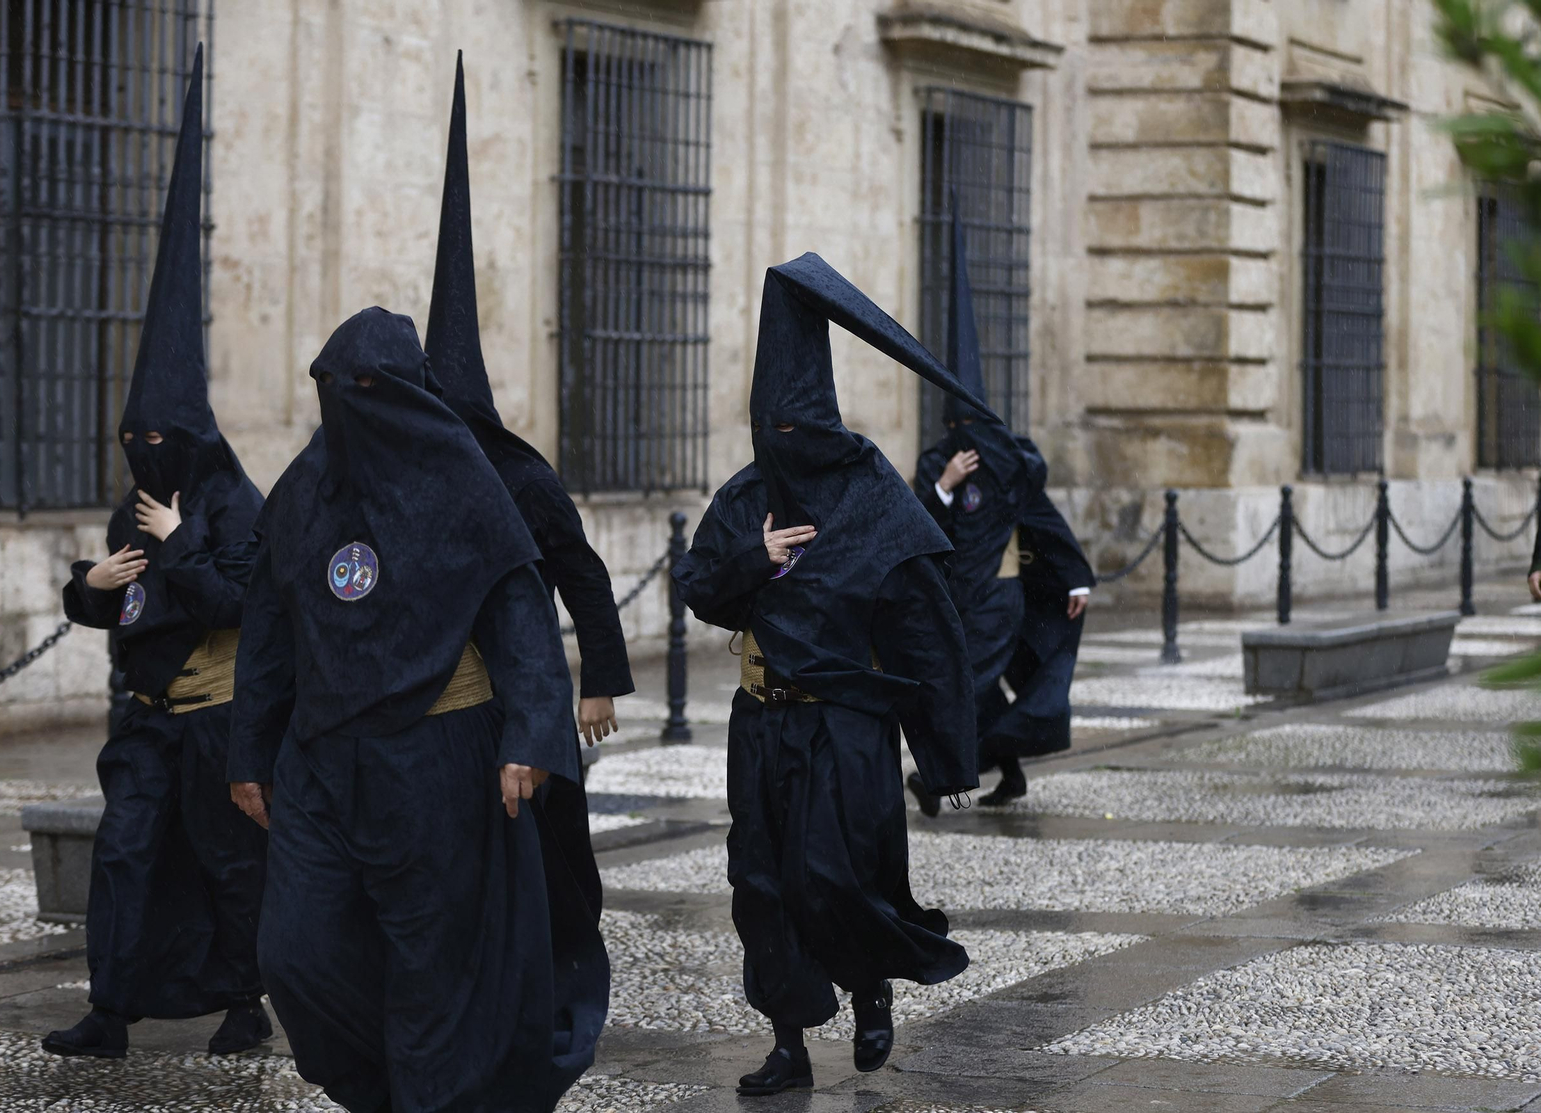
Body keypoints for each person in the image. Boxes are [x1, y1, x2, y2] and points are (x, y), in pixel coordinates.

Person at [226, 307, 608, 1113]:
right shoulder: (301, 489)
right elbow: (265, 633)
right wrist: (248, 755)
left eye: (369, 386)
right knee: (296, 955)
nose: (351, 403)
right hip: (321, 759)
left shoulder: (467, 483)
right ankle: (382, 1091)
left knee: (434, 961)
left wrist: (532, 732)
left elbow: (521, 617)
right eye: (334, 387)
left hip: (439, 755)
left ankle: (433, 1098)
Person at [673, 254, 991, 1096]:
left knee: (836, 875)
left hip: (846, 722)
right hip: (761, 719)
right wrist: (755, 556)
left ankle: (872, 987)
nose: (783, 442)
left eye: (796, 427)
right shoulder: (747, 500)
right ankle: (789, 1044)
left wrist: (948, 755)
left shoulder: (872, 493)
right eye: (769, 427)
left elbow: (928, 628)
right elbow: (699, 588)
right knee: (761, 883)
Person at [43, 45, 270, 1060]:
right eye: (134, 446)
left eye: (158, 445)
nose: (145, 459)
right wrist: (86, 588)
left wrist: (179, 549)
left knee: (227, 863)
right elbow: (114, 604)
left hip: (218, 721)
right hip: (141, 721)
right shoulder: (136, 499)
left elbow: (239, 602)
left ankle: (243, 1000)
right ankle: (110, 1008)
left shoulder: (232, 499)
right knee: (125, 857)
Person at [425, 54, 633, 781]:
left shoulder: (524, 479)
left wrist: (597, 679)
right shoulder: (404, 476)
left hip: (522, 677)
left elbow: (585, 575)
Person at [911, 206, 1094, 810]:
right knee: (978, 690)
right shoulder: (937, 461)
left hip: (999, 596)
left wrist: (1075, 577)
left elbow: (1041, 516)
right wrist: (942, 483)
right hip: (956, 596)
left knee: (965, 688)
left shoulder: (1010, 462)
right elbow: (919, 525)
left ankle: (940, 778)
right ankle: (1007, 774)